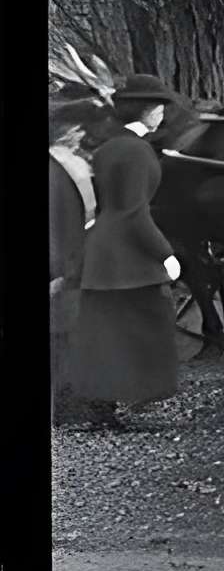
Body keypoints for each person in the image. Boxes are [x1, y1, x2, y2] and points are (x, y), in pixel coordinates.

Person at [69, 76, 184, 430]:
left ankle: (103, 407)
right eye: (160, 107)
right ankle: (135, 396)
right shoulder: (135, 150)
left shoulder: (110, 146)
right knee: (147, 321)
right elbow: (134, 212)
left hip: (104, 250)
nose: (163, 114)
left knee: (108, 330)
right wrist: (165, 253)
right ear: (147, 109)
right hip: (127, 252)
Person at [50, 93, 109, 425]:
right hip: (65, 265)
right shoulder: (54, 168)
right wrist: (56, 271)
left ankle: (86, 403)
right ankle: (70, 408)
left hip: (83, 258)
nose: (80, 134)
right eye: (73, 129)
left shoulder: (74, 162)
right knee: (63, 333)